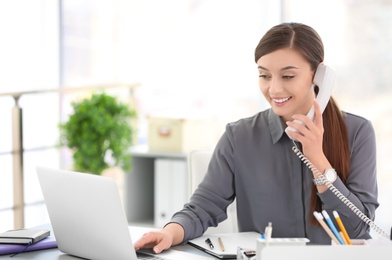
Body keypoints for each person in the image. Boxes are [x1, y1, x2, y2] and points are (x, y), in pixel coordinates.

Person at [134, 22, 379, 253]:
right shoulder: (239, 136)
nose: (274, 89)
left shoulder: (357, 132)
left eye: (288, 76)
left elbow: (357, 230)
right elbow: (202, 208)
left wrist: (317, 159)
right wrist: (170, 232)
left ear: (319, 76)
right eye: (264, 75)